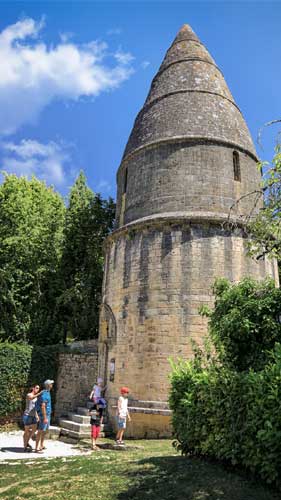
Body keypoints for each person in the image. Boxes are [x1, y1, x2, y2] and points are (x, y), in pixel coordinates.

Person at [35, 379, 54, 453]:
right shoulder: (44, 394)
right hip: (44, 416)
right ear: (48, 385)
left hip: (47, 415)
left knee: (44, 431)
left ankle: (41, 445)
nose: (52, 385)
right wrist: (45, 418)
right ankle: (36, 448)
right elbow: (43, 406)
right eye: (51, 384)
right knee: (40, 431)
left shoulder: (47, 392)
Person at [22, 384, 41, 452]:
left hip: (33, 416)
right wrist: (39, 394)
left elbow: (34, 407)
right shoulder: (29, 394)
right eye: (36, 388)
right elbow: (31, 398)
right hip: (27, 415)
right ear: (33, 388)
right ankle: (25, 446)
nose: (37, 389)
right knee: (27, 431)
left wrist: (37, 415)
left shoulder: (36, 397)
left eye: (38, 388)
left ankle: (26, 442)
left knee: (34, 429)